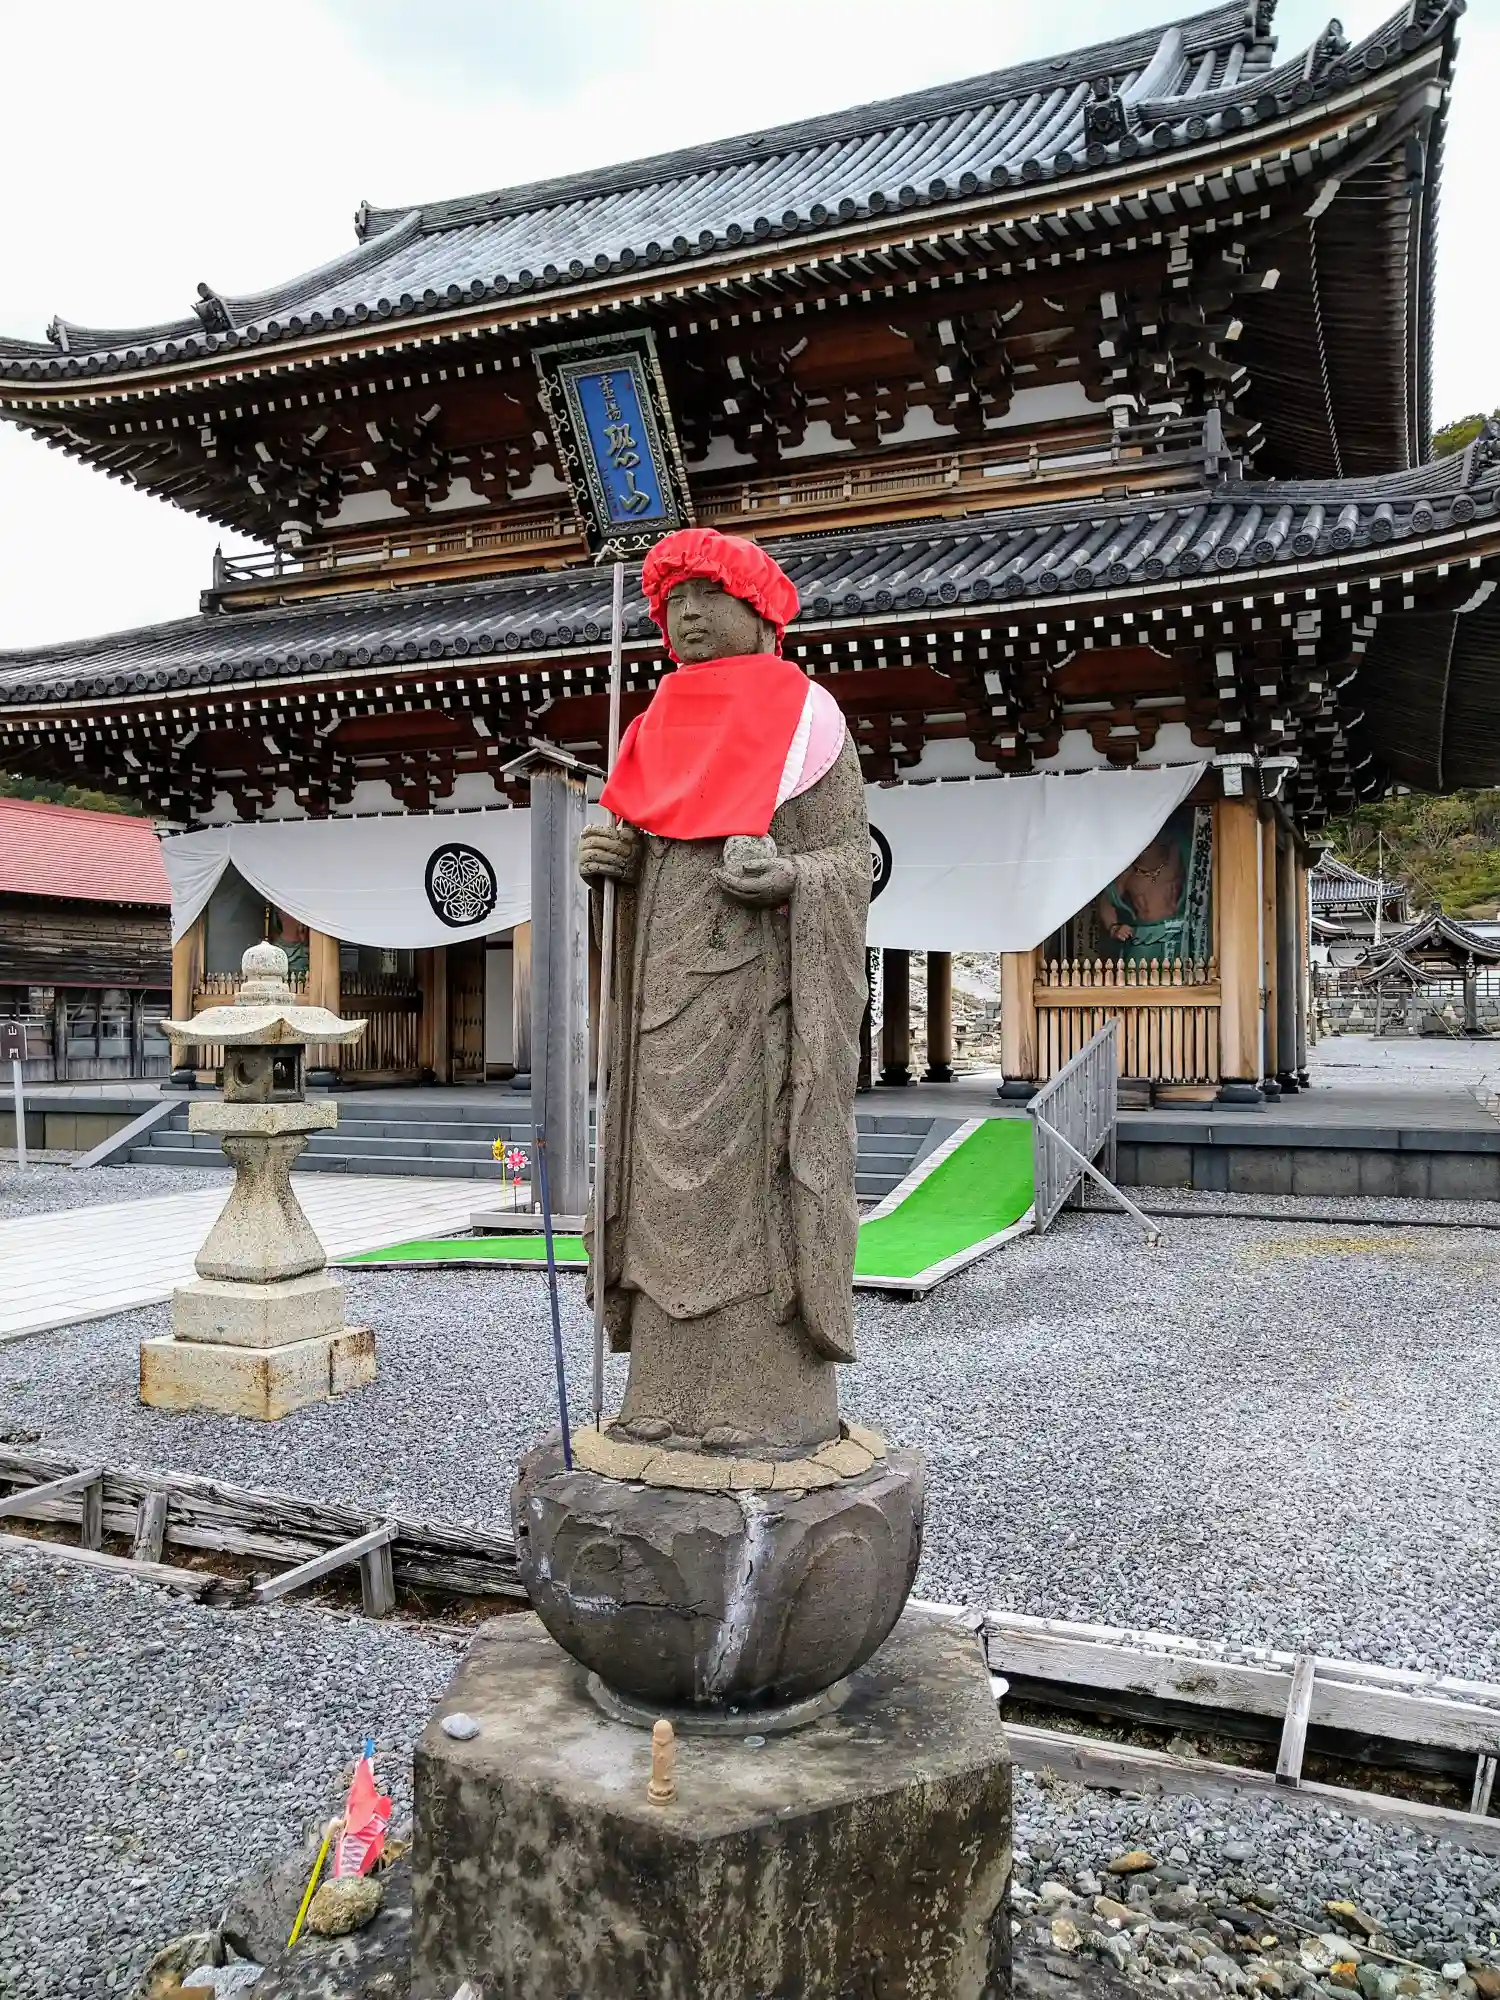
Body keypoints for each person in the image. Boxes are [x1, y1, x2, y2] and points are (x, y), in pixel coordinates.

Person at [578, 528, 869, 1455]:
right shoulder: (650, 725)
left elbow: (848, 859)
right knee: (660, 1193)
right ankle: (662, 1393)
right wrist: (612, 868)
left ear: (760, 612)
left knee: (746, 1189)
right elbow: (637, 852)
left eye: (709, 596)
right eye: (674, 602)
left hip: (757, 1000)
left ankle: (761, 1399)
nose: (689, 614)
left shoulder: (808, 721)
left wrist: (793, 878)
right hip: (662, 999)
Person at [1096, 817, 1190, 967]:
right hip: (1144, 937)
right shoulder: (1127, 873)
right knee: (1138, 977)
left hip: (1177, 931)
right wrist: (1115, 927)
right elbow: (1107, 902)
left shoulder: (1176, 855)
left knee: (1182, 976)